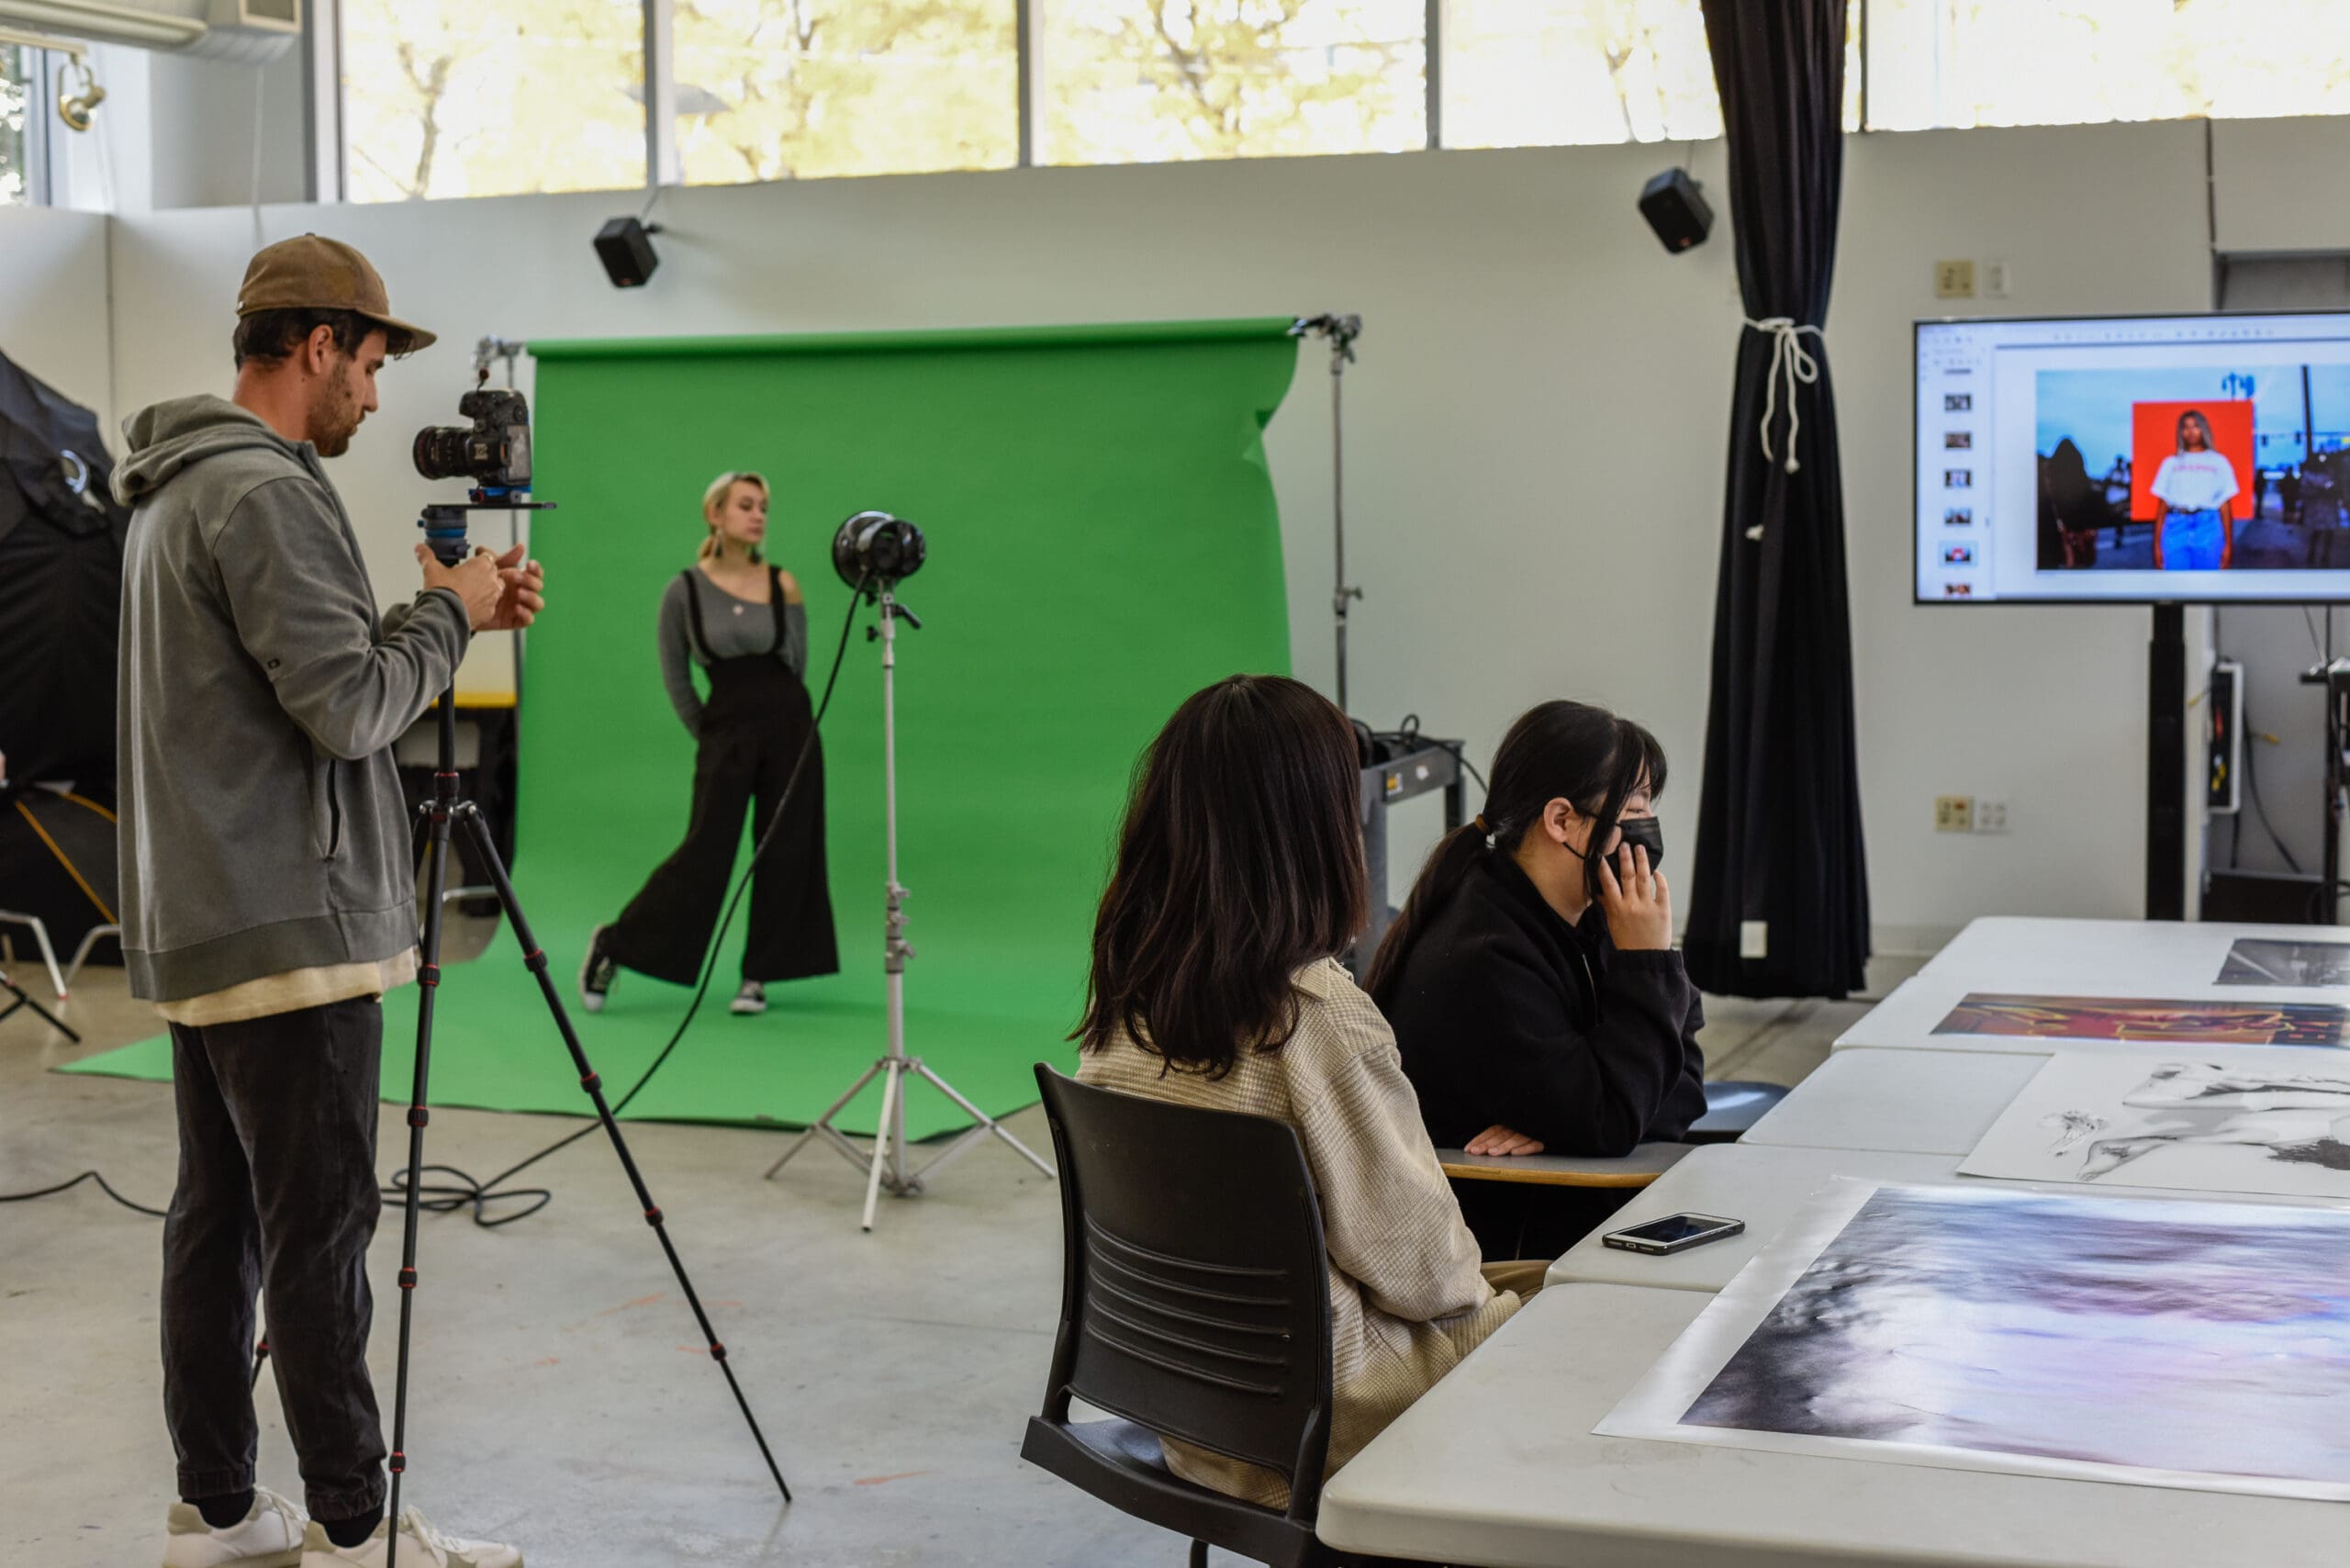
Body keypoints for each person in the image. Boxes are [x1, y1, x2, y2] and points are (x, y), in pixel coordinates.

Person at [118, 235, 538, 1567]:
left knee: (218, 1223)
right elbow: (352, 708)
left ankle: (221, 1506)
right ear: (316, 350)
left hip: (209, 921)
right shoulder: (263, 493)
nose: (371, 394)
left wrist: (447, 614)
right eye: (366, 363)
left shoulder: (173, 491)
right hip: (292, 935)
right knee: (318, 1240)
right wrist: (445, 612)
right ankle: (358, 1530)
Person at [1074, 675, 1529, 1509]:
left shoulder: (1124, 1011)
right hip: (1342, 1425)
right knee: (1597, 1310)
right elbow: (1429, 1276)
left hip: (1204, 1425)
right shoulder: (1314, 1022)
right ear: (1316, 827)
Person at [1366, 700, 1706, 1204]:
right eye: (1633, 809)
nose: (1647, 825)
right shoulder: (1486, 958)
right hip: (1506, 1225)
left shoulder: (1598, 911)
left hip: (1568, 1194)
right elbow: (1615, 1117)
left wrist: (1579, 1125)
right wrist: (1647, 966)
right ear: (1562, 820)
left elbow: (1686, 1080)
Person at [581, 472, 837, 1017]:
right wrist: (713, 734)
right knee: (706, 851)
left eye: (764, 506)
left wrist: (777, 723)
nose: (758, 515)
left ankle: (757, 976)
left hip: (790, 726)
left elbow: (797, 662)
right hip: (725, 730)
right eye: (746, 505)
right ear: (715, 514)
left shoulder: (782, 583)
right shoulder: (684, 591)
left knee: (786, 848)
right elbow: (677, 678)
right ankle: (612, 943)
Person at [2149, 409, 2237, 570]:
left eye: (2195, 426)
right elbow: (2162, 505)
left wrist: (2229, 545)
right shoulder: (2171, 463)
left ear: (2203, 429)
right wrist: (2156, 545)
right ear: (2180, 432)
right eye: (2186, 427)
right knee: (2176, 586)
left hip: (2208, 526)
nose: (2190, 431)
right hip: (2176, 526)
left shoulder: (2219, 462)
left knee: (2207, 587)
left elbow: (2225, 506)